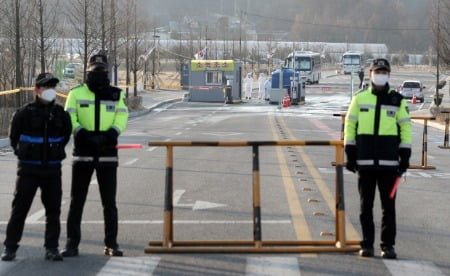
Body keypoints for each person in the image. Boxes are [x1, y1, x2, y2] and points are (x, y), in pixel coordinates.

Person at [61, 51, 129, 257]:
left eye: (102, 70)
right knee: (77, 201)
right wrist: (81, 133)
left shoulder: (117, 94)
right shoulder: (76, 93)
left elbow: (122, 118)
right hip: (83, 152)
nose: (98, 73)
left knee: (109, 203)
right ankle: (72, 244)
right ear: (88, 71)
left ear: (107, 72)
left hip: (107, 152)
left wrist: (111, 133)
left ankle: (111, 243)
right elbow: (69, 117)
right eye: (94, 70)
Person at [344, 58, 411, 259]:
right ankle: (367, 245)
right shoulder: (359, 98)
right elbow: (350, 125)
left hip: (390, 166)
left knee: (388, 209)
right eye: (377, 71)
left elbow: (406, 129)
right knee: (366, 207)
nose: (380, 74)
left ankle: (387, 246)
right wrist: (350, 152)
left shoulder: (398, 101)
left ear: (388, 75)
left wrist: (405, 156)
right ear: (371, 73)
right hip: (364, 164)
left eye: (384, 71)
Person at [1, 73, 72, 261]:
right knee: (19, 211)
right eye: (45, 87)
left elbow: (66, 136)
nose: (49, 91)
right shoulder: (24, 113)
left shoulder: (60, 114)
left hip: (52, 170)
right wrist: (24, 156)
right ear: (36, 90)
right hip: (28, 171)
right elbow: (13, 138)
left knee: (53, 212)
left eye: (52, 88)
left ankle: (52, 248)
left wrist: (53, 154)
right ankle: (10, 248)